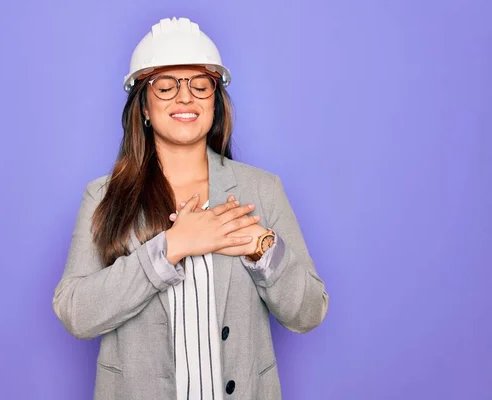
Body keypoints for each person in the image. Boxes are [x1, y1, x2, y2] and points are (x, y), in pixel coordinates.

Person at [52, 16, 329, 400]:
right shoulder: (103, 196)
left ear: (216, 101)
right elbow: (75, 312)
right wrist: (170, 248)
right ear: (144, 108)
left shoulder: (261, 189)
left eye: (200, 85)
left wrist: (261, 245)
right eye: (165, 86)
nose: (185, 97)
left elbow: (309, 312)